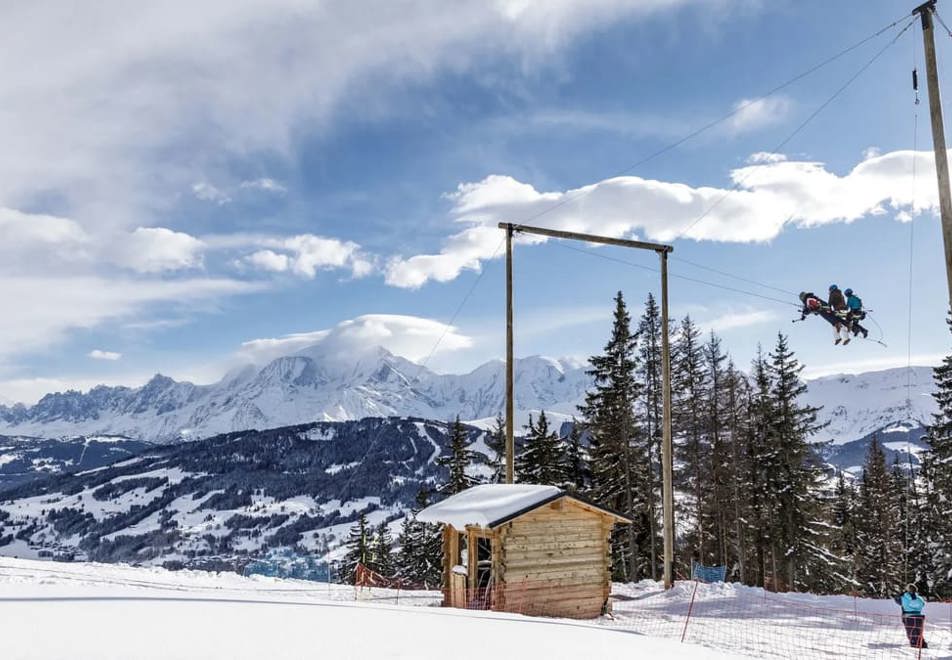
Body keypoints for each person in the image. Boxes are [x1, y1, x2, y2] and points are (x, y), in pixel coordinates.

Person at [894, 583, 928, 649]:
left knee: (911, 632)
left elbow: (896, 600)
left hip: (908, 617)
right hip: (919, 617)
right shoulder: (920, 598)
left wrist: (900, 595)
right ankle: (922, 644)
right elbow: (923, 604)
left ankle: (915, 645)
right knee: (919, 632)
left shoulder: (903, 598)